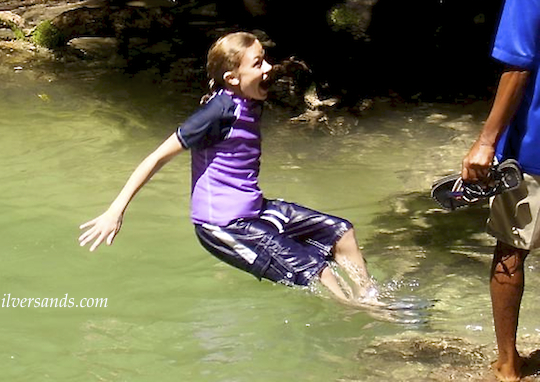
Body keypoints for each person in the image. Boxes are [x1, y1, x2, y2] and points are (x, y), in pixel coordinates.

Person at [79, 31, 378, 306]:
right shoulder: (216, 113)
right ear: (232, 78)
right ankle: (357, 316)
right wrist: (115, 211)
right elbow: (156, 157)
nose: (268, 68)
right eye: (258, 63)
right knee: (317, 270)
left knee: (341, 232)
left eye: (266, 60)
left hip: (253, 210)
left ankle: (371, 300)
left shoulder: (250, 99)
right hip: (221, 225)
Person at [461, 0, 540, 382]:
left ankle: (508, 366)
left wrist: (486, 141)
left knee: (513, 247)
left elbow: (519, 64)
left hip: (535, 143)